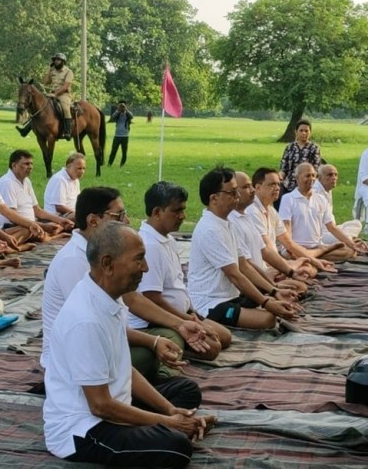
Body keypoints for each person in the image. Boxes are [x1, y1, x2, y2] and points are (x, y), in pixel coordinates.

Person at [44, 221, 216, 467]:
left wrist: (169, 411)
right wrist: (170, 424)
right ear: (107, 264)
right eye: (138, 259)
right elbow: (100, 406)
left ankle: (170, 425)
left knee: (187, 392)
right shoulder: (85, 320)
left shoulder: (108, 297)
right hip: (85, 428)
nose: (145, 268)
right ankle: (172, 429)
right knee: (176, 448)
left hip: (113, 404)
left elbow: (125, 370)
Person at [41, 186, 209, 381]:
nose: (127, 222)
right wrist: (153, 342)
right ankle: (164, 381)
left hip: (107, 339)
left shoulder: (100, 252)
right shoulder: (74, 260)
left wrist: (180, 324)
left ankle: (161, 379)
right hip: (78, 358)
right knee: (152, 353)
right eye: (119, 216)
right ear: (93, 221)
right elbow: (95, 328)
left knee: (170, 336)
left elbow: (132, 299)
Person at [188, 166, 297, 330]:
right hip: (210, 303)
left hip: (232, 296)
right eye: (232, 192)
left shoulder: (227, 223)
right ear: (214, 198)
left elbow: (245, 265)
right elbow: (235, 274)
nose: (237, 196)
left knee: (276, 303)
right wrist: (267, 302)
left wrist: (274, 292)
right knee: (268, 319)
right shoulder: (210, 229)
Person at [139, 181, 232, 359]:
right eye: (177, 211)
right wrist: (184, 320)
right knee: (213, 348)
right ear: (157, 212)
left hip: (183, 312)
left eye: (183, 210)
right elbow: (152, 299)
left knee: (224, 336)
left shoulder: (167, 240)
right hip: (159, 319)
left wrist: (192, 315)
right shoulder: (150, 246)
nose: (183, 216)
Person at [230, 171, 311, 294]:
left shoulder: (247, 215)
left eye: (278, 184)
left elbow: (264, 251)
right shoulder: (237, 219)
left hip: (262, 273)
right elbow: (244, 267)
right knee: (299, 286)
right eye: (246, 187)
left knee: (307, 271)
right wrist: (272, 292)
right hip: (249, 283)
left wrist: (289, 272)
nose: (252, 190)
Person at [247, 167, 337, 272]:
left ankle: (320, 251)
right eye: (272, 185)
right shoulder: (252, 211)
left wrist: (314, 261)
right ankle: (321, 251)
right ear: (258, 188)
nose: (277, 188)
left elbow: (288, 242)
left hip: (280, 261)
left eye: (278, 184)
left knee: (310, 267)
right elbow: (267, 250)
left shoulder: (271, 211)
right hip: (263, 267)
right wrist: (289, 268)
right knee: (307, 271)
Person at [280, 163, 368, 261]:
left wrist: (352, 244)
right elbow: (286, 226)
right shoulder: (288, 198)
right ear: (297, 178)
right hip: (297, 246)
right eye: (307, 176)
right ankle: (305, 255)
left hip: (317, 246)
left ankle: (307, 256)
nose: (311, 179)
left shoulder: (320, 199)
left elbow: (331, 226)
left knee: (350, 251)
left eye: (313, 175)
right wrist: (290, 246)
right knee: (287, 253)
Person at [0, 150, 74, 240]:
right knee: (29, 231)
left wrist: (59, 220)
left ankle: (49, 235)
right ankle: (47, 236)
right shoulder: (7, 183)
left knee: (58, 225)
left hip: (31, 223)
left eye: (31, 164)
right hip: (13, 226)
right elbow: (12, 217)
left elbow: (37, 210)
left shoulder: (26, 181)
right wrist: (40, 225)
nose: (30, 167)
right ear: (14, 165)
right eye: (26, 164)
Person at [278, 119, 322, 208]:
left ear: (310, 132)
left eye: (306, 131)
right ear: (296, 132)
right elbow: (283, 168)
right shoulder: (290, 147)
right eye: (301, 130)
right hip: (288, 182)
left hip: (305, 183)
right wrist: (279, 176)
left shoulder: (314, 148)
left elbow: (316, 169)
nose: (304, 133)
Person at [314, 164, 364, 242]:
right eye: (330, 175)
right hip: (320, 233)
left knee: (357, 223)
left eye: (336, 175)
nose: (334, 178)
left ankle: (347, 240)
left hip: (332, 229)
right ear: (320, 178)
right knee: (339, 238)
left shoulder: (327, 188)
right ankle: (349, 240)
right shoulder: (315, 193)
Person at [43, 152, 86, 220]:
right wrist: (78, 214)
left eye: (84, 168)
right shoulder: (60, 180)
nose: (82, 171)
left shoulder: (75, 180)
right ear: (69, 166)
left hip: (70, 213)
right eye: (79, 168)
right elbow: (59, 207)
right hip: (57, 217)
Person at [108, 100, 133, 167]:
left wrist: (126, 109)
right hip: (117, 135)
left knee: (124, 152)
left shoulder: (128, 114)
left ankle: (122, 165)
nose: (122, 107)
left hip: (125, 136)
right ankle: (109, 164)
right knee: (113, 151)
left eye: (123, 106)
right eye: (120, 106)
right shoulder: (117, 114)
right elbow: (113, 117)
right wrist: (118, 110)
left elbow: (131, 116)